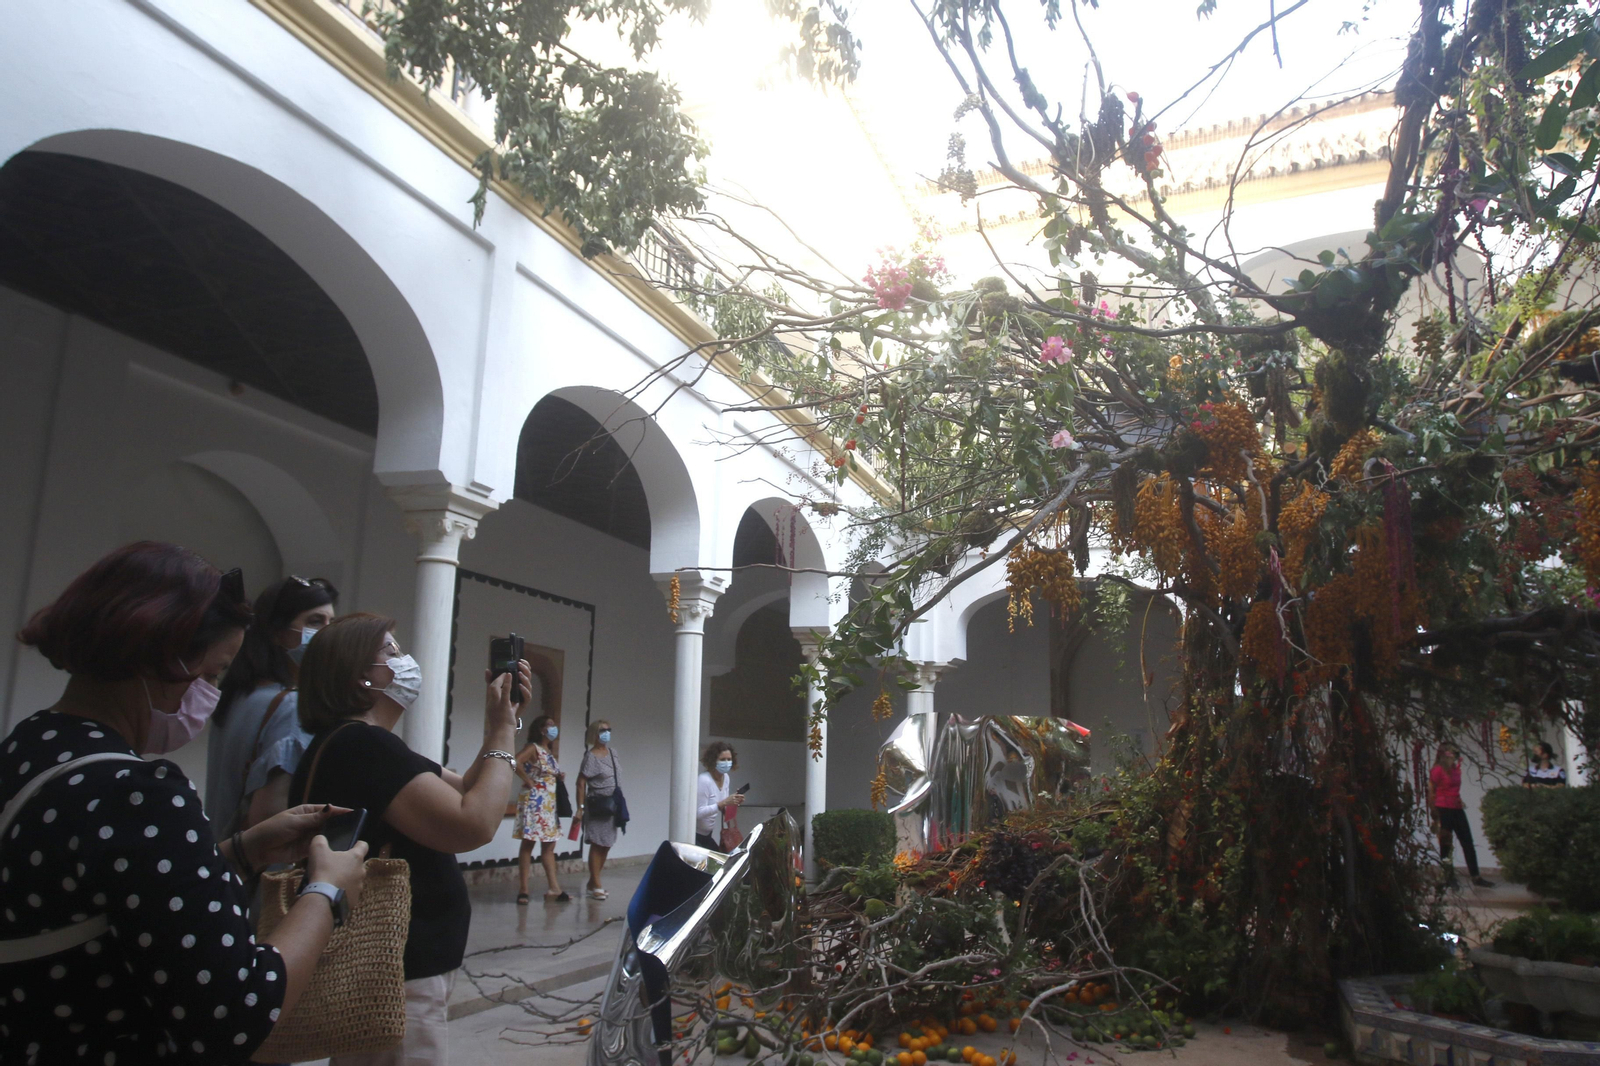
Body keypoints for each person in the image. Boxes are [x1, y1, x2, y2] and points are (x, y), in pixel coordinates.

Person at [0, 541, 367, 1064]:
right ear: (157, 656)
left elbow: (99, 891)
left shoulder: (27, 744)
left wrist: (237, 853)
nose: (207, 696)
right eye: (211, 675)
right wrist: (325, 892)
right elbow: (235, 1012)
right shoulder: (138, 793)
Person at [291, 612, 528, 1066]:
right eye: (390, 652)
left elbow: (467, 787)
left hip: (392, 964)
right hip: (393, 967)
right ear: (361, 676)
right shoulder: (363, 746)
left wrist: (502, 719)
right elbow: (473, 823)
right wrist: (501, 732)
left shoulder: (362, 743)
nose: (405, 661)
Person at [206, 574, 338, 840]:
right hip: (263, 871)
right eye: (315, 621)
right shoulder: (289, 706)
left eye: (331, 623)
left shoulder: (240, 695)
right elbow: (271, 817)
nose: (327, 632)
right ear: (277, 633)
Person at [512, 715, 569, 904]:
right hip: (535, 801)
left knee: (549, 845)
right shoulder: (533, 748)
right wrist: (528, 781)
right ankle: (523, 889)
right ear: (541, 729)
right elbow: (515, 761)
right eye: (550, 725)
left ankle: (554, 887)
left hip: (549, 804)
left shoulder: (548, 752)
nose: (554, 728)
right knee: (529, 843)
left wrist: (558, 776)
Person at [1428, 743, 1495, 888]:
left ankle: (1475, 876)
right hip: (1443, 807)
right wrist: (1433, 811)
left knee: (1467, 842)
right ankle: (1448, 876)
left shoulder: (1455, 770)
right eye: (1452, 752)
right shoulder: (1438, 770)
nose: (1455, 755)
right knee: (1446, 843)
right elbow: (1432, 789)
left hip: (1456, 807)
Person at [575, 719, 622, 900]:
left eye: (609, 730)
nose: (607, 733)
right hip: (598, 805)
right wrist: (580, 808)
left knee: (607, 844)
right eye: (603, 730)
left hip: (613, 805)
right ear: (595, 733)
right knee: (597, 844)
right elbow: (580, 783)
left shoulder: (612, 753)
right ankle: (597, 884)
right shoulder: (591, 757)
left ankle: (592, 882)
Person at [695, 741, 745, 851]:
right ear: (713, 761)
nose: (726, 763)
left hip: (708, 834)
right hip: (695, 836)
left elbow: (724, 809)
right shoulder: (704, 780)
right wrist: (723, 803)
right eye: (722, 759)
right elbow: (698, 813)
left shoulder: (726, 778)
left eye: (729, 759)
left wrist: (734, 802)